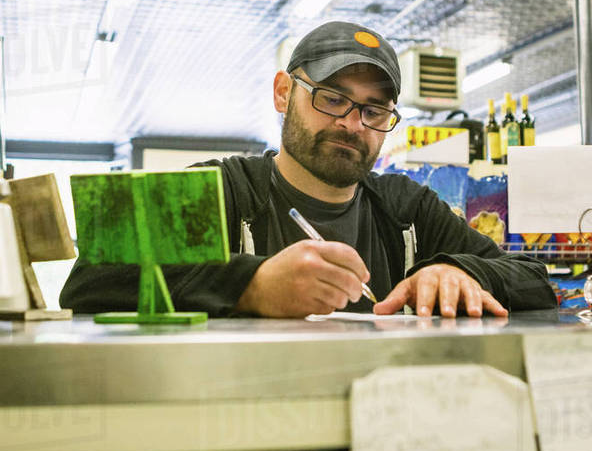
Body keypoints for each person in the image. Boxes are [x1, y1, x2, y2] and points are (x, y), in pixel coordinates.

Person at [61, 21, 556, 318]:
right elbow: (90, 280)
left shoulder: (407, 208)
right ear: (283, 92)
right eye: (331, 98)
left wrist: (460, 270)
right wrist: (249, 287)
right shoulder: (217, 187)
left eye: (373, 111)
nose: (351, 124)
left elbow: (537, 279)